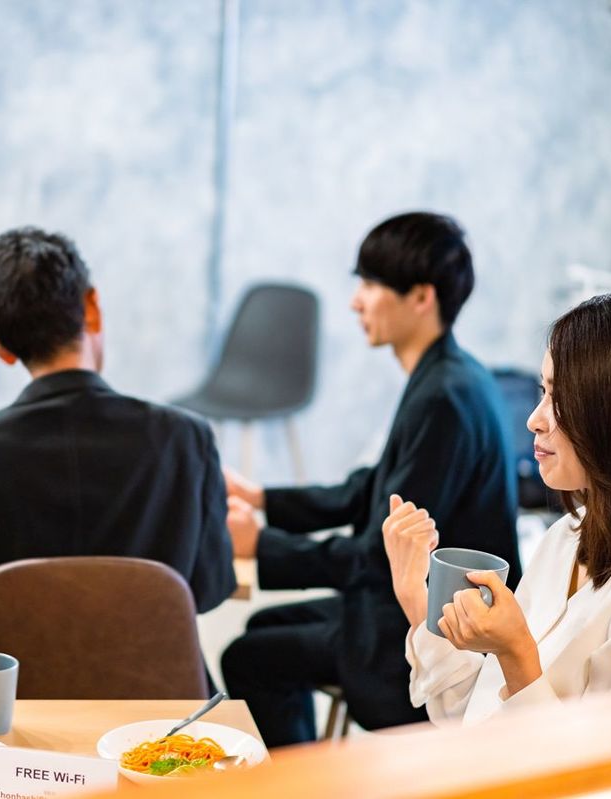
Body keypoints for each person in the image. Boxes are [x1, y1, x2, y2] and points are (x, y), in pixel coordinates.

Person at [220, 212, 522, 746]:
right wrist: (262, 498)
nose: (357, 300)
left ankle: (304, 787)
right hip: (394, 606)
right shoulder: (447, 374)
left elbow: (377, 555)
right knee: (261, 633)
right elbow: (370, 488)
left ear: (421, 297)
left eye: (371, 284)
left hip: (422, 629)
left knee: (249, 658)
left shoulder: (444, 398)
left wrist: (263, 546)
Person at [386, 289, 611, 724]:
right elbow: (472, 720)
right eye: (543, 391)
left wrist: (517, 653)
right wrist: (416, 596)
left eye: (560, 398)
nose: (534, 419)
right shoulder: (568, 537)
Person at [0, 227, 236, 643]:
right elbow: (210, 588)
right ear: (91, 306)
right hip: (162, 697)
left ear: (0, 346)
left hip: (11, 700)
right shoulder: (187, 438)